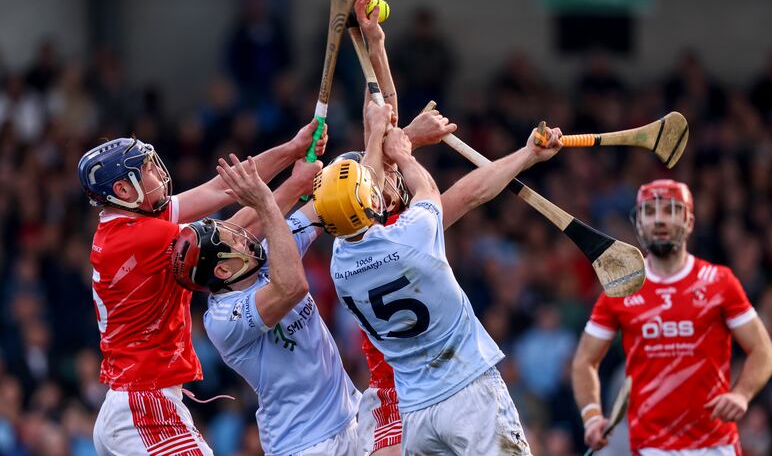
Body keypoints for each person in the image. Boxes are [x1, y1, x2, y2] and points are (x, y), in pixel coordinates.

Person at [314, 83, 562, 455]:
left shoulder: (340, 264)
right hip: (467, 391)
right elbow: (458, 192)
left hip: (416, 413)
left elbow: (364, 194)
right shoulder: (413, 234)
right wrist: (405, 152)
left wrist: (378, 134)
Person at [78, 120, 326, 455]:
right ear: (124, 190)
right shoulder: (139, 238)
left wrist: (293, 148)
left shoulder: (130, 221)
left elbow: (220, 189)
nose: (158, 173)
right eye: (147, 169)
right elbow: (229, 240)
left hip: (133, 403)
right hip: (144, 406)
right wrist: (296, 185)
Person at [571, 179, 772, 456]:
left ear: (689, 221)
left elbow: (763, 351)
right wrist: (593, 416)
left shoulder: (720, 282)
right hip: (651, 447)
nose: (659, 220)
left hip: (716, 445)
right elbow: (585, 360)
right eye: (650, 212)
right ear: (638, 223)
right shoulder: (621, 289)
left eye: (670, 210)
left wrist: (742, 393)